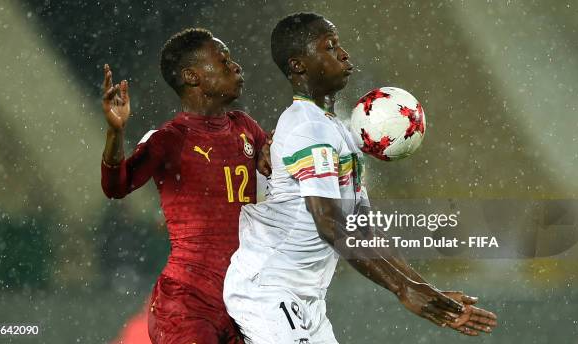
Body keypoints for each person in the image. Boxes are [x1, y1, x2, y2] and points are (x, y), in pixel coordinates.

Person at [223, 12, 497, 343]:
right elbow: (328, 221)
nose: (343, 54)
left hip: (305, 297)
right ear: (298, 66)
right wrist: (402, 288)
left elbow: (363, 227)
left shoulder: (336, 129)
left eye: (339, 44)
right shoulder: (307, 127)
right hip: (268, 289)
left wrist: (423, 288)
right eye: (329, 46)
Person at [100, 28, 270, 344]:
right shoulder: (170, 139)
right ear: (193, 76)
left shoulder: (246, 128)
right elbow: (116, 185)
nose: (236, 67)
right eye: (223, 61)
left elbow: (275, 169)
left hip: (242, 301)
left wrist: (274, 150)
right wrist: (115, 133)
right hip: (188, 303)